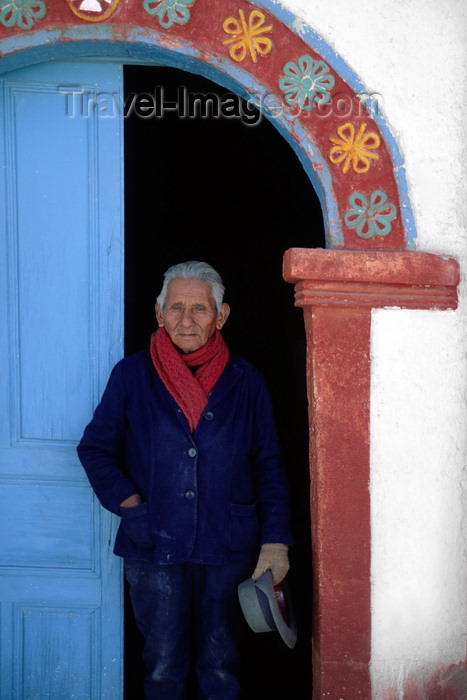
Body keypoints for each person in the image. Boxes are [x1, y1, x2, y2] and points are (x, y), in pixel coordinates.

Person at [77, 260, 292, 700]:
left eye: (200, 308)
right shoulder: (132, 375)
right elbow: (95, 449)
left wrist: (276, 541)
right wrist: (132, 505)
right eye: (176, 307)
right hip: (154, 541)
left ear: (221, 315)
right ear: (159, 314)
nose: (187, 319)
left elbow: (268, 464)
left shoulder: (245, 381)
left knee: (220, 665)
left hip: (227, 545)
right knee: (161, 667)